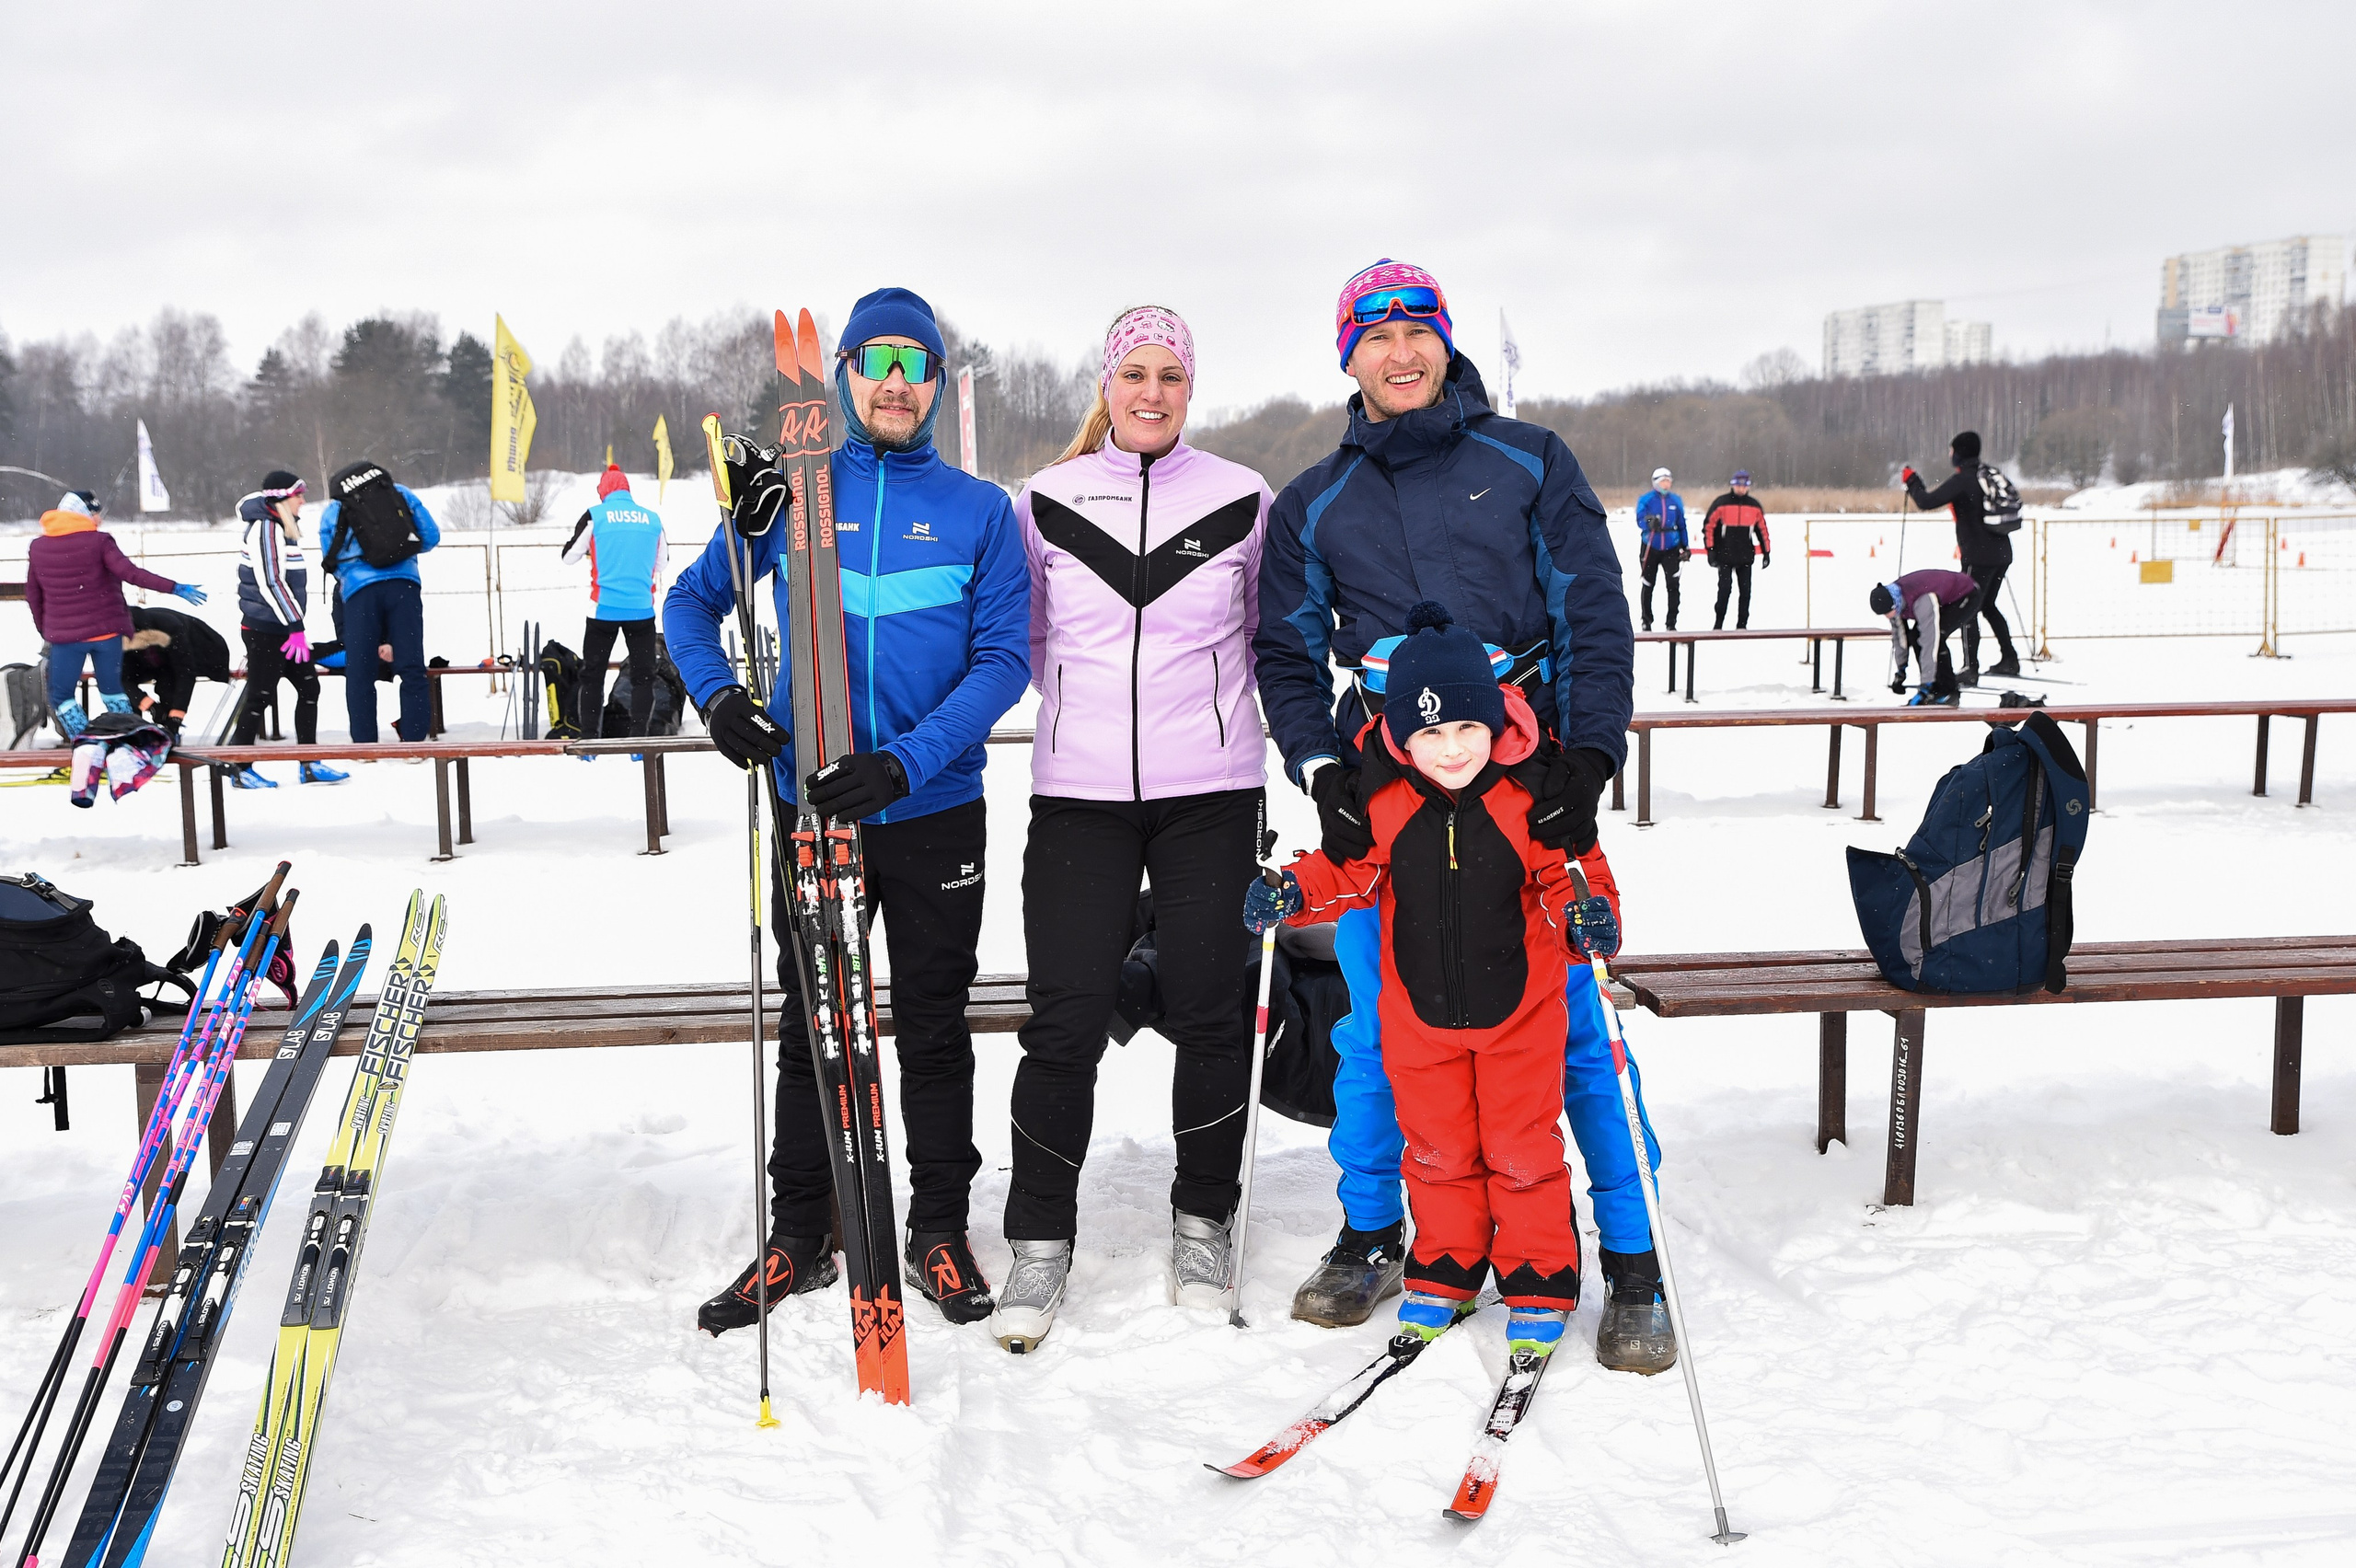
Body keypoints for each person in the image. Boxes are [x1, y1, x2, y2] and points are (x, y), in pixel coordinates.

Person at [1254, 259, 1673, 1375]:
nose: (1399, 353)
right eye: (1374, 336)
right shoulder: (1313, 502)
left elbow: (1592, 608)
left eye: (1416, 330)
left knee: (1575, 1041)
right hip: (1385, 796)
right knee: (1377, 1035)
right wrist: (1320, 770)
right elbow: (1286, 650)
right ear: (1346, 355)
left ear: (1443, 342)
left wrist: (1587, 756)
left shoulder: (1528, 459)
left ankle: (1632, 1260)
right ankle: (1374, 1230)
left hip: (1523, 780)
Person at [666, 286, 1030, 1335]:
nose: (895, 383)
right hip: (811, 813)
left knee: (930, 1020)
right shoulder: (791, 497)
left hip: (931, 809)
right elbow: (691, 605)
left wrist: (906, 763)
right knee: (810, 1022)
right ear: (843, 379)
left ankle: (938, 1229)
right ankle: (801, 1232)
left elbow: (1004, 662)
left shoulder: (979, 511)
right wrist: (720, 696)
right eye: (876, 361)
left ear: (939, 384)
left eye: (917, 366)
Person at [987, 306, 1274, 1353]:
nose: (1152, 392)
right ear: (1105, 385)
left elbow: (1262, 640)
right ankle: (1038, 1240)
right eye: (1134, 373)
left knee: (1209, 1010)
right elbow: (1016, 642)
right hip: (1079, 798)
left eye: (1171, 376)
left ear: (1190, 389)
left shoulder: (1241, 497)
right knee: (1064, 1019)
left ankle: (1203, 1220)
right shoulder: (1047, 501)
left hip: (1212, 793)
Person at [1244, 604, 1624, 1360]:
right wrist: (1292, 888)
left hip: (1520, 1017)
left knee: (1521, 1150)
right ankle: (1446, 1268)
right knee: (1438, 1150)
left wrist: (1589, 914)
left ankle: (1540, 1276)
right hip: (1419, 1020)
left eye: (1467, 730)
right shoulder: (1382, 801)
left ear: (1495, 721)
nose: (1451, 751)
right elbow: (1345, 873)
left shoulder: (1534, 797)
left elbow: (1575, 875)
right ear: (1400, 737)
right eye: (1430, 735)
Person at [24, 490, 206, 739]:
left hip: (67, 639)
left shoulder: (38, 547)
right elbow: (131, 573)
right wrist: (173, 587)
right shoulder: (99, 542)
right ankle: (128, 740)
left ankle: (85, 741)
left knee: (62, 695)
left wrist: (45, 630)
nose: (98, 520)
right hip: (106, 633)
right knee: (113, 690)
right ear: (83, 514)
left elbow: (34, 595)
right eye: (95, 514)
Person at [229, 471, 344, 786]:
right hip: (266, 629)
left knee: (309, 689)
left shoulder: (281, 527)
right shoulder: (264, 529)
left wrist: (294, 627)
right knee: (260, 696)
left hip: (285, 629)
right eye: (298, 496)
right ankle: (239, 768)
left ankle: (308, 763)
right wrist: (295, 625)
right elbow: (270, 582)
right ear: (281, 499)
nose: (303, 501)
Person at [317, 460, 440, 744]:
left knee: (360, 669)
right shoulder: (400, 493)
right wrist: (400, 553)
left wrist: (357, 571)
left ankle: (365, 744)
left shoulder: (335, 508)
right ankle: (414, 742)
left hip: (360, 592)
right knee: (411, 666)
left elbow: (331, 559)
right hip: (404, 586)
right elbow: (431, 537)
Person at [562, 464, 668, 744]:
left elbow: (568, 556)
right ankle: (638, 739)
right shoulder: (652, 520)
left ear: (604, 491)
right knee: (644, 677)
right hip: (641, 609)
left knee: (592, 676)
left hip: (603, 609)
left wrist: (591, 552)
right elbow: (662, 563)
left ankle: (589, 740)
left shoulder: (595, 516)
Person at [1903, 431, 2019, 682]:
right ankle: (2010, 659)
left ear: (1958, 452)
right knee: (1987, 605)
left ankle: (1970, 668)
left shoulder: (1963, 480)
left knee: (1968, 607)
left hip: (1978, 556)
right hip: (2002, 553)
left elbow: (1926, 501)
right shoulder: (1987, 475)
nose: (1949, 454)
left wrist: (1912, 481)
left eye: (1951, 450)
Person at [1872, 569, 1981, 706]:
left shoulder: (1922, 600)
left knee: (1937, 637)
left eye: (1888, 612)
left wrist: (1925, 684)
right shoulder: (1893, 599)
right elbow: (1900, 637)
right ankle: (1934, 687)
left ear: (1894, 604)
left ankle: (1949, 691)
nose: (1888, 616)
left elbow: (1930, 642)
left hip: (1966, 594)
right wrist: (1901, 671)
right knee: (1915, 636)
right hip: (1941, 599)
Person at [121, 604, 231, 737]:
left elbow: (185, 673)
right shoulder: (120, 635)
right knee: (125, 695)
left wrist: (176, 716)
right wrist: (149, 705)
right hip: (146, 660)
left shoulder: (170, 627)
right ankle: (133, 733)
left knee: (168, 688)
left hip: (196, 651)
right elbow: (120, 678)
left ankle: (171, 732)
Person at [1701, 469, 1770, 630]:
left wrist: (1767, 552)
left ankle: (1742, 625)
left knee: (1746, 592)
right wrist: (1710, 550)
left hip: (1745, 556)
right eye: (1738, 485)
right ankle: (1718, 624)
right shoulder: (1722, 503)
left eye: (1744, 486)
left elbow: (1762, 530)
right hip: (1725, 555)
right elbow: (1709, 526)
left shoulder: (1754, 506)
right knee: (1724, 590)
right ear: (1733, 485)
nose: (1741, 489)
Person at [1634, 467, 1688, 631]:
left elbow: (1681, 524)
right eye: (1664, 481)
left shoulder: (1675, 500)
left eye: (1669, 481)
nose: (1667, 484)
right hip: (1651, 545)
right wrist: (1649, 522)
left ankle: (1671, 622)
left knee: (1673, 585)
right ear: (1656, 483)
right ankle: (1646, 620)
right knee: (1648, 583)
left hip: (1671, 547)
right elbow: (1639, 520)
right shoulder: (1646, 499)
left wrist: (1685, 546)